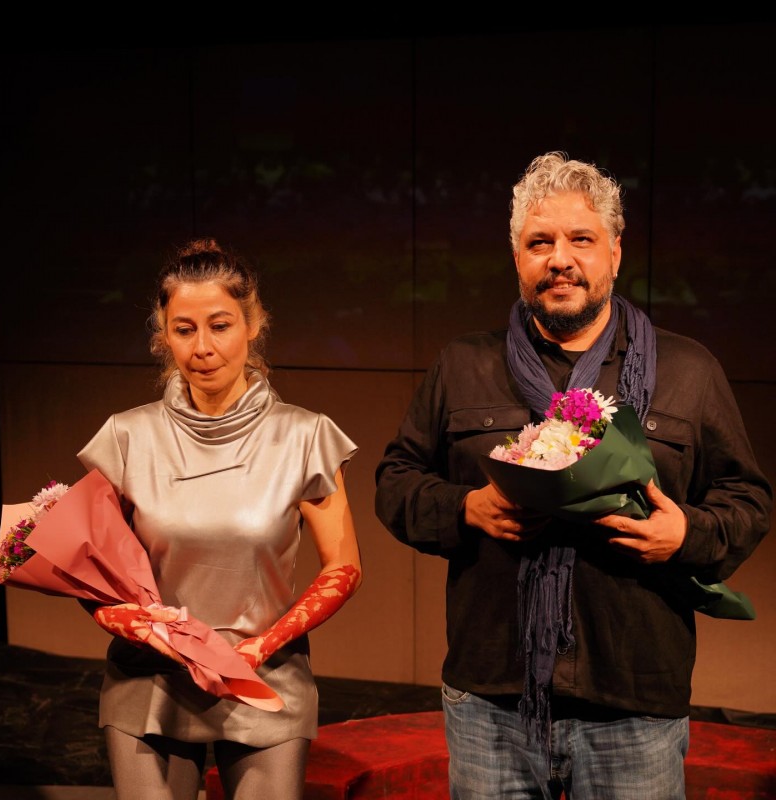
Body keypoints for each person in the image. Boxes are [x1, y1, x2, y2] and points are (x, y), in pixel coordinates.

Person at [374, 151, 772, 799]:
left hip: (634, 700)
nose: (559, 258)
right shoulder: (462, 365)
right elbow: (395, 482)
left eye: (580, 239)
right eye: (540, 243)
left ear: (615, 252)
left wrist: (686, 535)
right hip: (491, 700)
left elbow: (748, 499)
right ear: (517, 259)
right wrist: (466, 509)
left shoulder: (689, 370)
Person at [78, 237, 363, 800]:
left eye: (220, 325)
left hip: (264, 674)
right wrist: (144, 630)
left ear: (252, 324)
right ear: (164, 335)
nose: (203, 347)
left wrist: (261, 646)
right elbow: (87, 573)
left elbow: (344, 567)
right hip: (150, 678)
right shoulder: (127, 437)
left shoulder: (304, 436)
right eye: (184, 330)